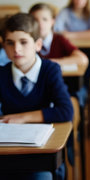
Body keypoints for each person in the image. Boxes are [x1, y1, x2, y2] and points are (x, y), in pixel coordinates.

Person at [0, 13, 73, 180]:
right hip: (8, 151)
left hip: (41, 153)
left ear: (38, 45)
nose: (16, 49)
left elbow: (66, 111)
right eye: (10, 43)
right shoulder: (2, 74)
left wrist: (22, 118)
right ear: (4, 47)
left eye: (23, 42)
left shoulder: (50, 70)